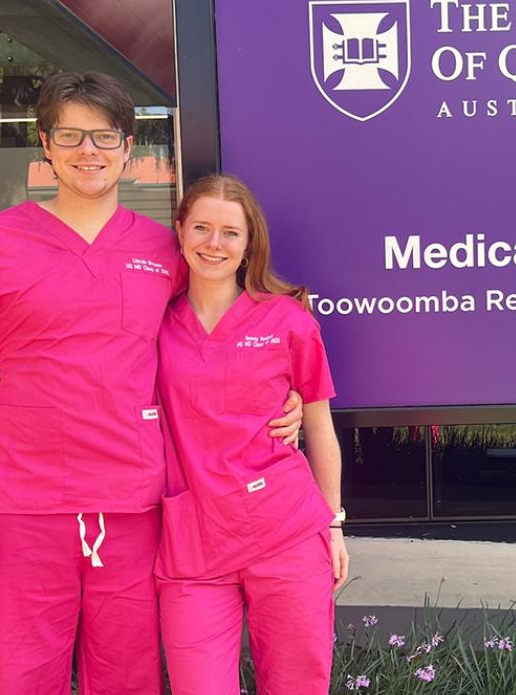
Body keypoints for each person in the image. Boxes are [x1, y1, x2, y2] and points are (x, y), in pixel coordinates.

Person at [0, 71, 302, 695]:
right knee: (18, 678)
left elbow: (223, 335)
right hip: (18, 506)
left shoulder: (166, 252)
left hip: (133, 508)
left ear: (128, 149)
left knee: (128, 680)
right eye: (70, 135)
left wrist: (290, 398)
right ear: (45, 143)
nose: (87, 151)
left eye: (104, 136)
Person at [154, 174, 348, 695]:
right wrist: (3, 371)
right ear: (180, 232)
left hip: (285, 531)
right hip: (193, 542)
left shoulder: (288, 320)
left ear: (248, 244)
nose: (213, 243)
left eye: (229, 232)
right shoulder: (152, 321)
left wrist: (333, 524)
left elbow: (319, 425)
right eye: (201, 228)